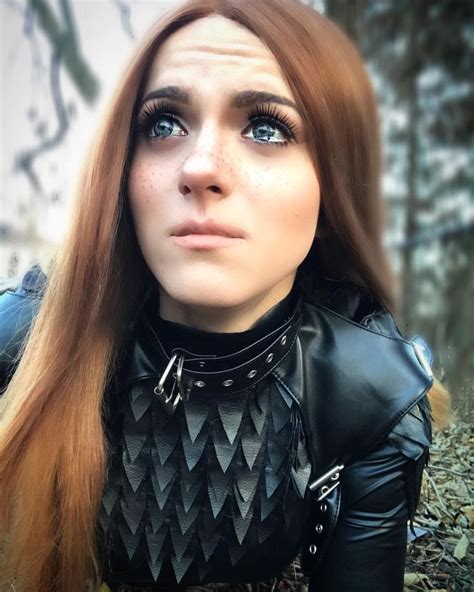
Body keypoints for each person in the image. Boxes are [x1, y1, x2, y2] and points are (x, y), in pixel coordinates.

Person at [0, 1, 451, 591]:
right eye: (164, 123)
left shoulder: (368, 397)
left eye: (267, 128)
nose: (200, 166)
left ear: (330, 191)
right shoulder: (24, 342)